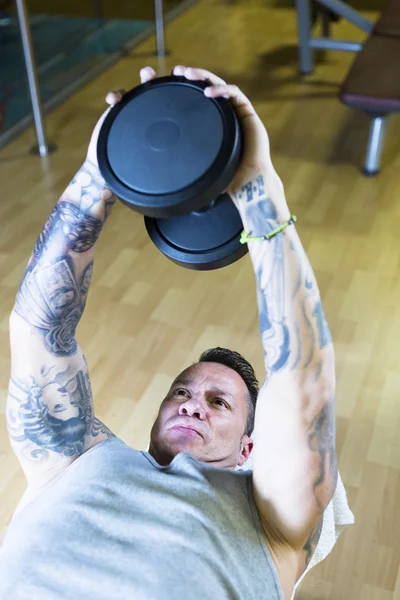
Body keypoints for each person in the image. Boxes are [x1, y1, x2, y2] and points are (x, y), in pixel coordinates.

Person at [1, 66, 338, 600]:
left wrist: (257, 186)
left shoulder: (273, 519)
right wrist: (99, 173)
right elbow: (39, 328)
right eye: (181, 391)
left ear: (251, 447)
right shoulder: (74, 459)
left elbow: (303, 383)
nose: (191, 404)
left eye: (219, 402)